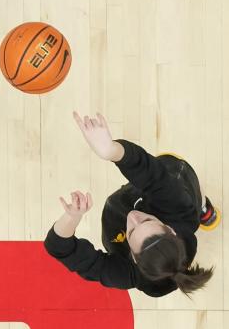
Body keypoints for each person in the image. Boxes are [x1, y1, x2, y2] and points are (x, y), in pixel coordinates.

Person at [44, 111, 218, 297]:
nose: (133, 217)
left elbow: (58, 248)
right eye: (146, 220)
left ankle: (200, 209)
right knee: (191, 199)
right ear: (169, 228)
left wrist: (72, 217)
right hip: (176, 175)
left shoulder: (129, 274)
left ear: (133, 258)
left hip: (133, 199)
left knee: (187, 200)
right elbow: (147, 170)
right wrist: (110, 150)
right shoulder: (178, 208)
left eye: (132, 232)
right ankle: (202, 209)